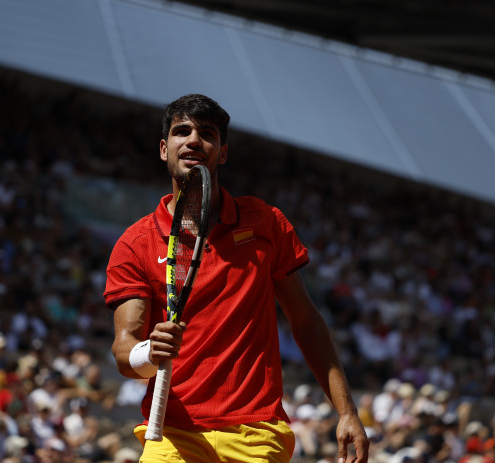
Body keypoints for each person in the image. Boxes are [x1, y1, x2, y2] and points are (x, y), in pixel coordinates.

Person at [104, 94, 369, 462]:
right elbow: (123, 351)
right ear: (164, 149)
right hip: (173, 433)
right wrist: (150, 350)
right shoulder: (135, 244)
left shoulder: (266, 222)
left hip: (256, 432)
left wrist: (347, 411)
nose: (194, 140)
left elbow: (306, 321)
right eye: (182, 132)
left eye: (207, 134)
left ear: (222, 152)